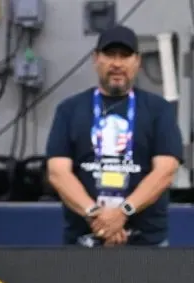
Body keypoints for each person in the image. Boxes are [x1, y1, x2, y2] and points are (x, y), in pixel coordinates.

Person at [46, 25, 183, 247]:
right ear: (95, 59)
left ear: (137, 61)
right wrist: (96, 216)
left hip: (146, 243)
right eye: (110, 55)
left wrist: (123, 212)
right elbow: (57, 172)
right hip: (84, 241)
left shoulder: (159, 110)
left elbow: (165, 171)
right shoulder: (69, 110)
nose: (117, 64)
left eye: (125, 56)